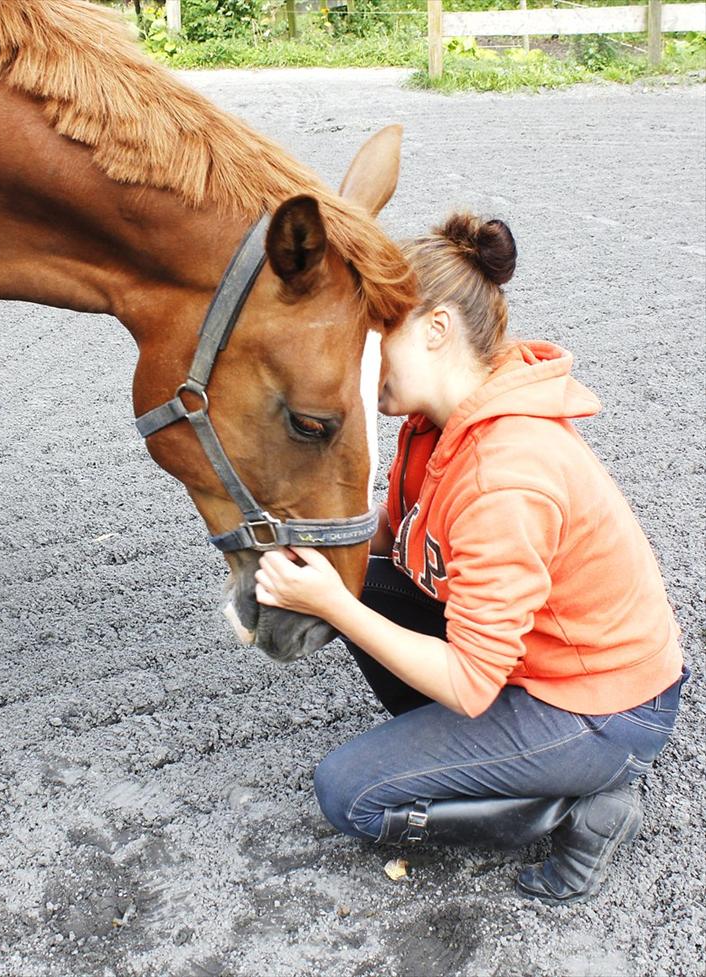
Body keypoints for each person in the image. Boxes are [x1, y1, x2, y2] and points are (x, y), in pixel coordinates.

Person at [255, 213, 687, 904]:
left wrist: (329, 604)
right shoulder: (437, 425)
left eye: (374, 338)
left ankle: (584, 808)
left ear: (436, 329)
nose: (358, 361)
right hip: (531, 668)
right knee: (359, 578)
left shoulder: (504, 473)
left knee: (350, 794)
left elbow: (469, 684)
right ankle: (478, 759)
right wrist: (304, 537)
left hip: (602, 710)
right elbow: (390, 544)